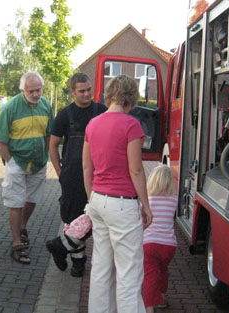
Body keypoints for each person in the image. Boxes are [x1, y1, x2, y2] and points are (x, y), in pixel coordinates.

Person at [83, 74, 153, 313]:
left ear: (110, 95)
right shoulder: (131, 125)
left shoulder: (92, 124)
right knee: (128, 272)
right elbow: (135, 170)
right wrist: (146, 204)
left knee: (101, 267)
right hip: (122, 205)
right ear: (131, 98)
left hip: (98, 200)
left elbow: (86, 167)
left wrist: (91, 196)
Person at [46, 72, 106, 277]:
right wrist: (60, 172)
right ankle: (78, 261)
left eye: (89, 89)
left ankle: (60, 246)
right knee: (72, 219)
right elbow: (52, 145)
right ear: (73, 92)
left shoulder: (101, 111)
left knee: (93, 216)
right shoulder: (65, 114)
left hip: (98, 175)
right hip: (72, 176)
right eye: (82, 91)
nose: (87, 94)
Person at [0, 71, 53, 264]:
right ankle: (17, 242)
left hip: (39, 163)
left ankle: (22, 226)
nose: (36, 94)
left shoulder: (45, 105)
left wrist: (47, 155)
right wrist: (10, 161)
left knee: (33, 199)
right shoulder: (9, 108)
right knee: (15, 203)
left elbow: (49, 134)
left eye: (39, 90)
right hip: (17, 162)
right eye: (31, 91)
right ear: (22, 90)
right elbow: (0, 139)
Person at [142, 165, 178, 313]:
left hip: (150, 244)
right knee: (163, 270)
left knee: (150, 276)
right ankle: (161, 298)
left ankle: (149, 307)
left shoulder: (147, 200)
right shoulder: (174, 200)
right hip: (169, 245)